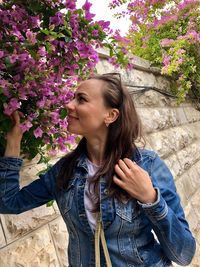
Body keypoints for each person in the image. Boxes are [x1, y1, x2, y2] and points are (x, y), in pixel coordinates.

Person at [0, 73, 196, 267]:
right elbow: (8, 203)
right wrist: (13, 144)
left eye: (81, 99)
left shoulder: (147, 165)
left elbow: (183, 255)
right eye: (73, 98)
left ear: (110, 115)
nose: (69, 105)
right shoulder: (65, 171)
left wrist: (151, 199)